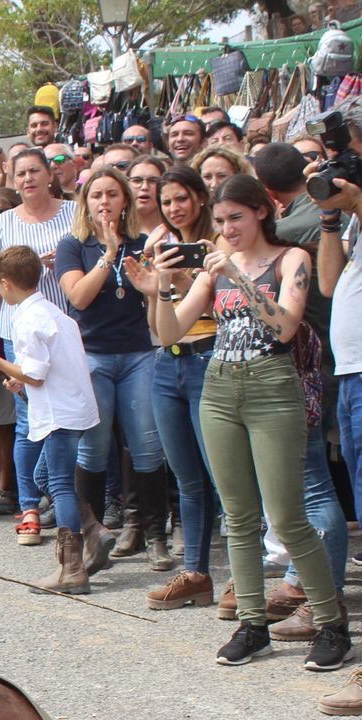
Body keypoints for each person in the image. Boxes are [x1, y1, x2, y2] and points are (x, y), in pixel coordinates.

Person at [150, 175, 346, 669]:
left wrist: (236, 276)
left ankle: (330, 622)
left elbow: (284, 326)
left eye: (235, 217)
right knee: (237, 516)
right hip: (218, 386)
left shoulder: (291, 259)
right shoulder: (215, 264)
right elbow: (169, 333)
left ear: (261, 211)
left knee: (286, 516)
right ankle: (253, 624)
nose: (227, 228)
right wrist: (160, 289)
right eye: (219, 221)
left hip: (272, 387)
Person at [0, 246, 99, 591]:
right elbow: (41, 374)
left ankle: (72, 568)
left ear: (6, 284)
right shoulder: (54, 312)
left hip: (59, 414)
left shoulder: (26, 318)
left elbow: (36, 375)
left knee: (60, 485)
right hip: (72, 408)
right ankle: (94, 533)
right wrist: (18, 379)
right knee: (43, 476)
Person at [256, 142, 347, 641]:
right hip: (328, 362)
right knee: (304, 484)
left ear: (267, 196)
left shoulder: (288, 237)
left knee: (311, 486)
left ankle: (323, 595)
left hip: (309, 368)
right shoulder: (329, 207)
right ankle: (300, 582)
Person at [54, 168, 165, 572]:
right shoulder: (73, 245)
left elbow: (152, 305)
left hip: (137, 353)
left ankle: (155, 536)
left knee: (147, 445)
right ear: (86, 203)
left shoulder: (142, 243)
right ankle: (92, 539)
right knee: (94, 448)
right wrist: (109, 254)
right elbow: (79, 298)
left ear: (125, 201)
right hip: (93, 355)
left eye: (112, 195)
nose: (105, 202)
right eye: (97, 195)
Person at [309, 99, 362, 712]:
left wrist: (358, 204)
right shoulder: (357, 205)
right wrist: (333, 220)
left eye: (344, 147)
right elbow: (329, 285)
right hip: (356, 375)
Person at [132, 166, 221, 611]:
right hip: (168, 363)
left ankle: (249, 578)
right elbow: (157, 326)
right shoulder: (162, 247)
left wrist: (188, 280)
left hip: (209, 358)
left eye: (181, 199)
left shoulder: (217, 244)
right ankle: (196, 573)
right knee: (186, 477)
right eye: (167, 202)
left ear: (200, 199)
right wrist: (155, 287)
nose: (173, 208)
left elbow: (227, 309)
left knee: (223, 477)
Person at [0, 149, 76, 538]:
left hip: (64, 328)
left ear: (49, 173)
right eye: (19, 173)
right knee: (28, 422)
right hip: (18, 330)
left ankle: (68, 500)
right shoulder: (3, 222)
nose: (27, 179)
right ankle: (29, 506)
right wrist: (23, 268)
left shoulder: (73, 212)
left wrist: (65, 262)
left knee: (68, 419)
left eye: (34, 170)